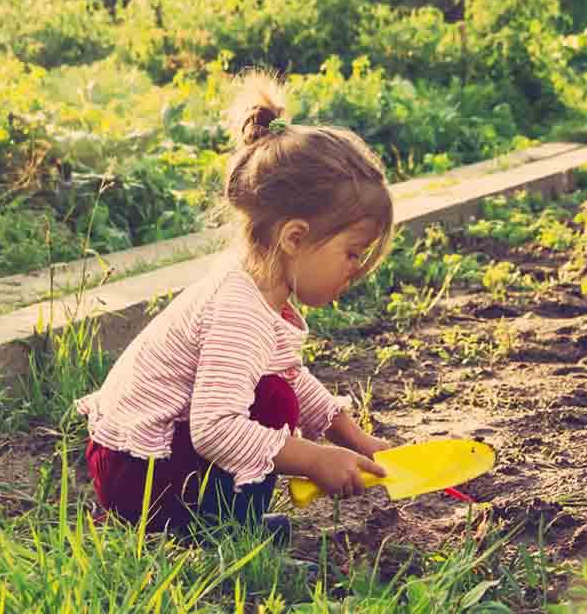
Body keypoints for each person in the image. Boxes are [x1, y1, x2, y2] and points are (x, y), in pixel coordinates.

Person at [76, 72, 394, 538]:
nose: (356, 271)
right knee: (271, 401)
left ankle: (213, 519)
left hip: (142, 462)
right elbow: (214, 429)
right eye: (352, 253)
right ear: (296, 237)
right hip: (138, 473)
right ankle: (218, 532)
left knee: (275, 389)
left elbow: (287, 370)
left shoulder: (257, 287)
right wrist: (312, 457)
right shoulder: (238, 310)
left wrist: (353, 439)